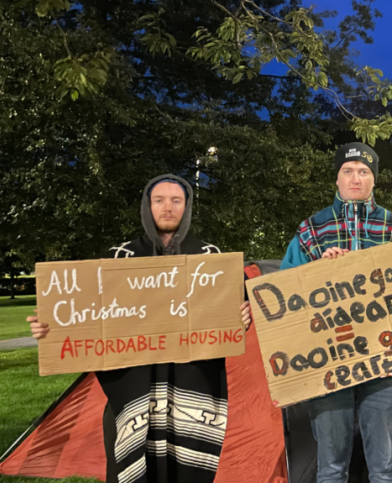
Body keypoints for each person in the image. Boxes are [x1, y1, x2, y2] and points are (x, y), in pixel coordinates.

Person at [29, 174, 252, 483]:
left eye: (176, 200)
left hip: (192, 395)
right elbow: (83, 315)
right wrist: (50, 329)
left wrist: (244, 314)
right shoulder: (119, 259)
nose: (168, 207)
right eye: (159, 200)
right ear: (147, 206)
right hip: (132, 398)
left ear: (186, 207)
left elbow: (239, 313)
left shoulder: (211, 258)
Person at [280, 142, 392, 483]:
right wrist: (317, 273)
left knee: (384, 468)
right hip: (328, 360)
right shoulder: (311, 230)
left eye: (364, 171)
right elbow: (285, 292)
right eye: (348, 171)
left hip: (385, 359)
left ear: (374, 180)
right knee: (331, 467)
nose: (356, 178)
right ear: (337, 179)